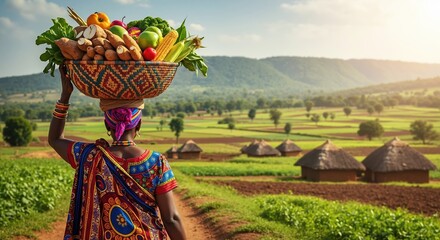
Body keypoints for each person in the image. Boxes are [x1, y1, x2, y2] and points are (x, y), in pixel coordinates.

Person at [48, 63, 186, 240]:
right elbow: (171, 218)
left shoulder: (89, 156)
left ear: (107, 124)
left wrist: (65, 96)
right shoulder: (157, 162)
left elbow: (55, 139)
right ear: (139, 124)